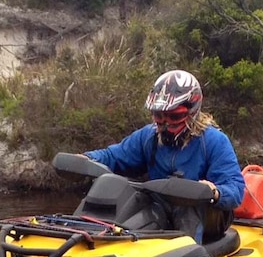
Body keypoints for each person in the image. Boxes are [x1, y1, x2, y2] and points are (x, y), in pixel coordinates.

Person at [84, 69, 246, 244]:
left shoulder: (214, 141)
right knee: (134, 197)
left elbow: (236, 188)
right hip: (160, 208)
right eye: (158, 115)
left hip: (206, 214)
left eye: (174, 116)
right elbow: (113, 156)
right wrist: (87, 158)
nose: (165, 123)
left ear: (192, 111)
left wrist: (215, 192)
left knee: (187, 208)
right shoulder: (148, 136)